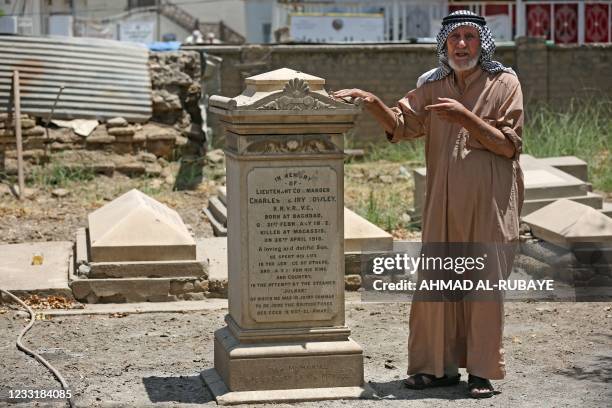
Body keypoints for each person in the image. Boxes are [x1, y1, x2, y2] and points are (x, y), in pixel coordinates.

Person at [333, 10, 524, 399]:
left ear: (482, 43)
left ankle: (482, 372)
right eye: (455, 38)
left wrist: (465, 118)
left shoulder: (505, 83)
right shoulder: (432, 86)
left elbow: (508, 146)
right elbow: (401, 125)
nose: (462, 45)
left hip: (489, 204)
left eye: (470, 37)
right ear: (444, 44)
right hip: (442, 203)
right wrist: (370, 101)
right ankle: (434, 369)